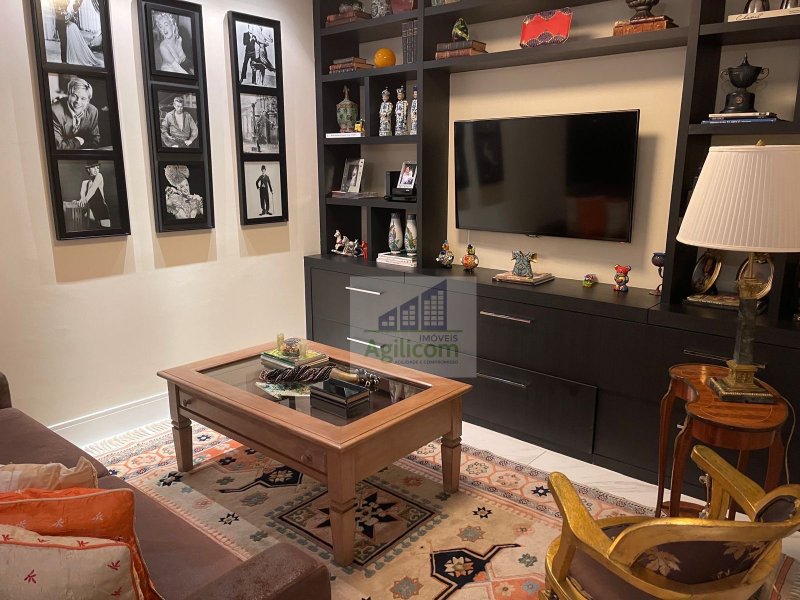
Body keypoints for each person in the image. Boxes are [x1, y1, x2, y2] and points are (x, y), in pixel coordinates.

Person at [52, 77, 100, 150]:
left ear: (88, 101)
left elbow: (95, 142)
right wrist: (78, 141)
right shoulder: (55, 111)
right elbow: (58, 147)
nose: (78, 102)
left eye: (83, 98)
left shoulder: (93, 111)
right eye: (74, 96)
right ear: (68, 95)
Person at [76, 161, 110, 228]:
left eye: (97, 168)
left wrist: (84, 200)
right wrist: (82, 199)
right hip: (90, 209)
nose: (96, 170)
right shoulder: (85, 182)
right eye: (93, 167)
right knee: (92, 228)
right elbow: (82, 193)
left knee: (105, 230)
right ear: (88, 169)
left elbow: (92, 190)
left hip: (101, 208)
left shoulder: (99, 176)